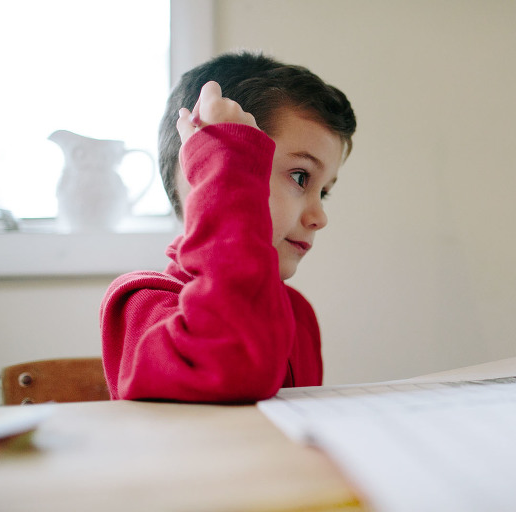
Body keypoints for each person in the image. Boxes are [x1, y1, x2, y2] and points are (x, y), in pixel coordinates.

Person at [100, 51, 356, 403]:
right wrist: (229, 161)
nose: (319, 217)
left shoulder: (297, 314)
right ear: (206, 170)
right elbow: (235, 368)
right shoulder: (143, 303)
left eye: (323, 192)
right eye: (301, 177)